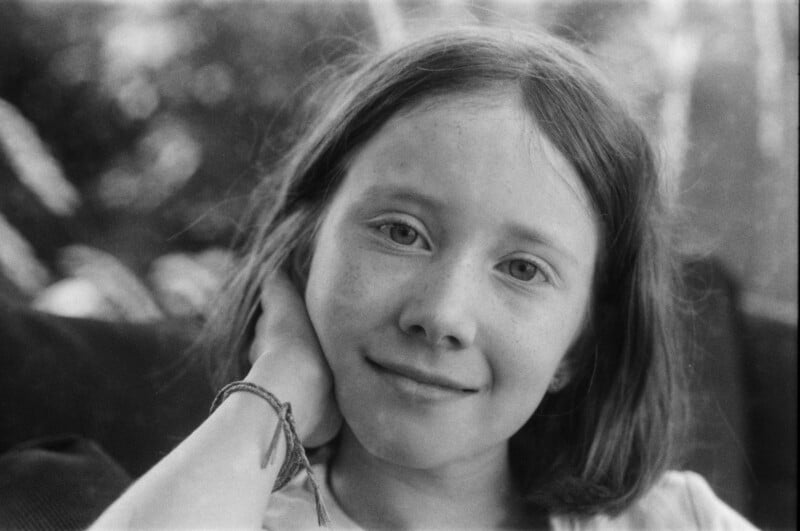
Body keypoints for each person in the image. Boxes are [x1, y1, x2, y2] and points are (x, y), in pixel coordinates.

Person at [91, 26, 756, 529]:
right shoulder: (223, 510)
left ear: (580, 344)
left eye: (523, 268)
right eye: (401, 232)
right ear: (303, 248)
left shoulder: (676, 519)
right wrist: (271, 392)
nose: (442, 314)